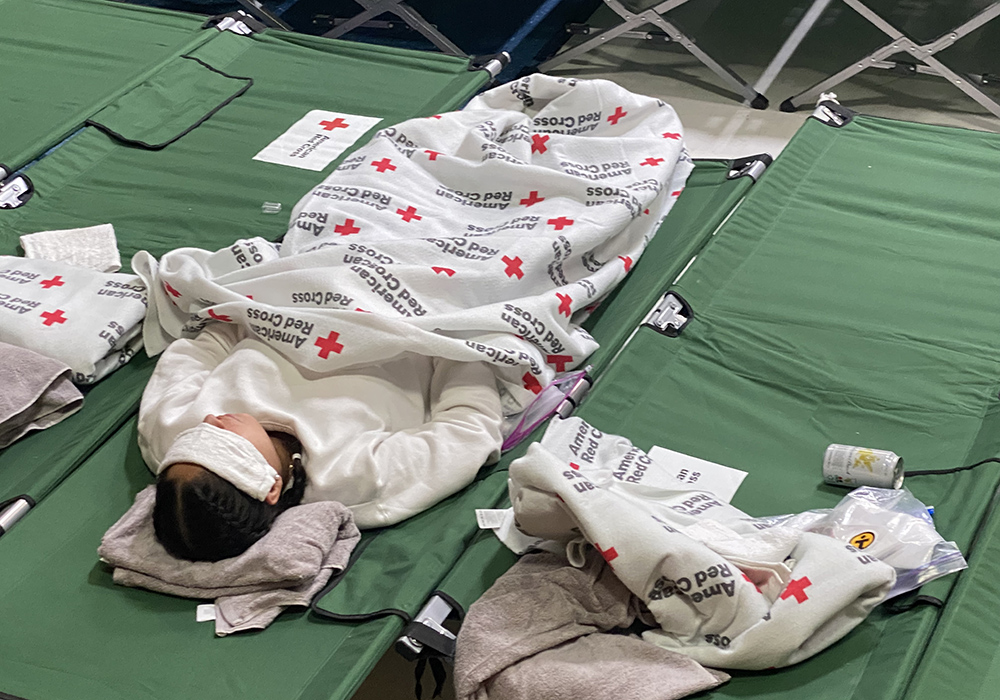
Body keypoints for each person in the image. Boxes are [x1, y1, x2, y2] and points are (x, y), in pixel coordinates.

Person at [138, 323, 503, 562]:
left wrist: (252, 305)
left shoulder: (169, 434)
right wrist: (452, 340)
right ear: (271, 487)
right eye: (222, 442)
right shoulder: (360, 477)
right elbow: (468, 426)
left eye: (194, 438)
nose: (210, 420)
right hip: (418, 318)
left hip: (295, 296)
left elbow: (205, 345)